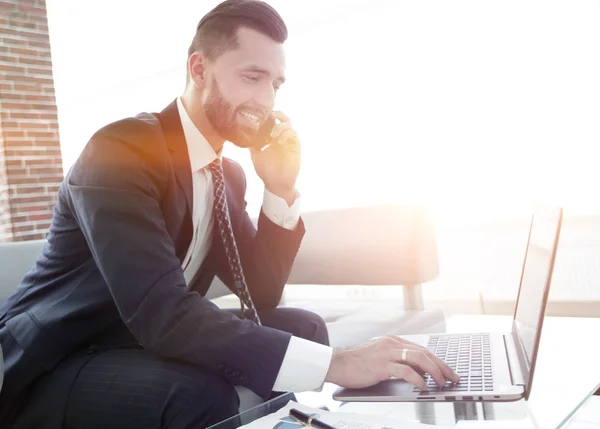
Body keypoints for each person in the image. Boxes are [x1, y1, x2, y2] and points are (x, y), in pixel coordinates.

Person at [0, 1, 459, 428]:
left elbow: (261, 292)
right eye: (252, 76)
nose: (266, 100)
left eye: (275, 84)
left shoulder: (227, 176)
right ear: (199, 69)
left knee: (307, 330)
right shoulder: (123, 150)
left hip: (135, 339)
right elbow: (163, 315)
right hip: (58, 357)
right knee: (200, 393)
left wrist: (279, 188)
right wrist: (340, 363)